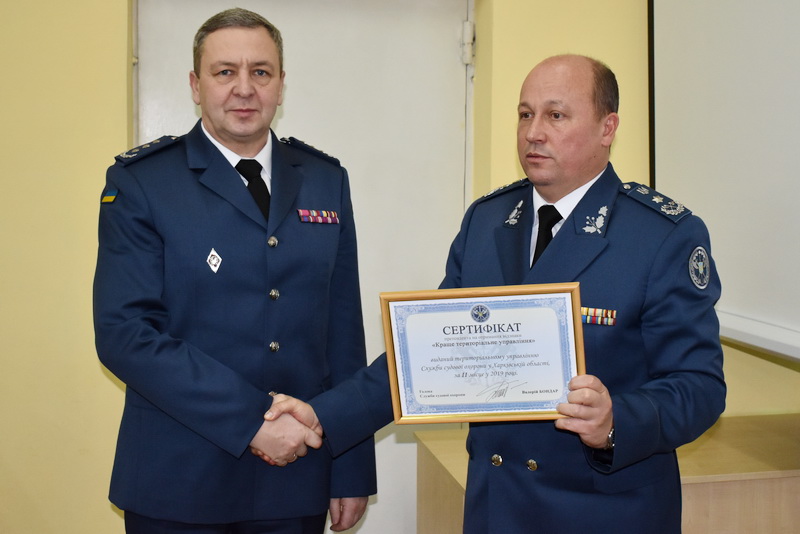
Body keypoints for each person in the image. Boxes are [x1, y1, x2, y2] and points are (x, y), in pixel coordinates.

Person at [264, 54, 726, 533]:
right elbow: (426, 355)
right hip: (499, 506)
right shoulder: (487, 221)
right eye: (525, 114)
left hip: (602, 512)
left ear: (607, 128)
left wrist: (615, 422)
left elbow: (700, 386)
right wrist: (321, 415)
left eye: (556, 115)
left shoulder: (659, 236)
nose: (533, 133)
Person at [93, 8, 374, 533]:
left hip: (295, 478)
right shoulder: (143, 183)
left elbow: (342, 333)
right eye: (225, 72)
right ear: (195, 85)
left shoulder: (324, 180)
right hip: (178, 480)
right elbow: (124, 334)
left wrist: (350, 467)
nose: (244, 88)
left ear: (281, 85)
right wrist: (251, 422)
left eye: (260, 72)